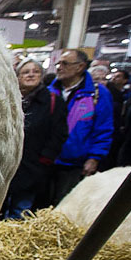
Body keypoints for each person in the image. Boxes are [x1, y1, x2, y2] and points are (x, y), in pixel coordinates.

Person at [1, 59, 68, 219]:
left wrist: (45, 158)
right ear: (17, 77)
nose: (31, 74)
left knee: (22, 208)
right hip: (5, 163)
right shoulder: (7, 99)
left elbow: (59, 133)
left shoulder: (53, 101)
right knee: (0, 207)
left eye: (35, 71)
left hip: (33, 164)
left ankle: (15, 239)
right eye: (26, 72)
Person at [48, 49, 114, 204]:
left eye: (65, 63)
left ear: (80, 67)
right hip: (47, 160)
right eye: (58, 63)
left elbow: (104, 129)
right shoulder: (50, 92)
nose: (59, 67)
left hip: (75, 163)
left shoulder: (97, 94)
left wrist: (94, 158)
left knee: (66, 203)